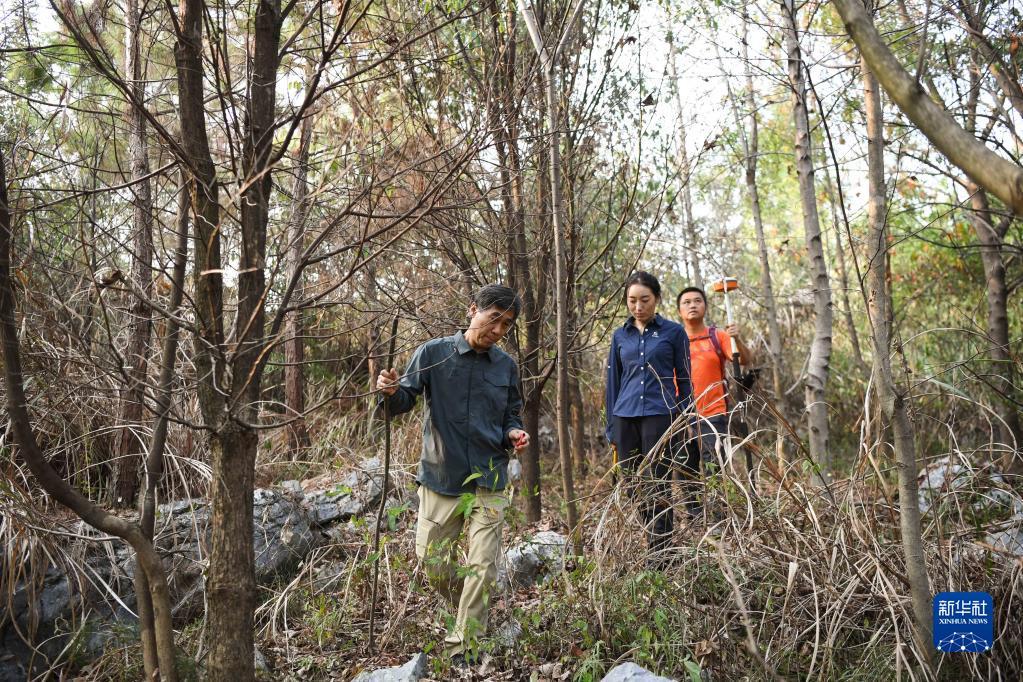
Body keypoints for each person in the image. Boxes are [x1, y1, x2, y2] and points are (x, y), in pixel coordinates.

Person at [376, 284, 529, 662]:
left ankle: (465, 645)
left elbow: (512, 414)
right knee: (433, 564)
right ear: (472, 309)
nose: (497, 330)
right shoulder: (433, 353)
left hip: (490, 476)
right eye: (494, 318)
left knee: (482, 566)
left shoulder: (506, 367)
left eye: (506, 324)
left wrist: (513, 431)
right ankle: (471, 611)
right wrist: (389, 390)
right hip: (441, 476)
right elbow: (402, 401)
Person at [605, 271, 692, 560]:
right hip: (625, 416)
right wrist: (611, 428)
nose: (638, 306)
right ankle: (657, 537)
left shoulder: (673, 332)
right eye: (632, 300)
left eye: (644, 300)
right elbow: (613, 383)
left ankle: (661, 552)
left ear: (657, 299)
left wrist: (685, 416)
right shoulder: (620, 335)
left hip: (660, 414)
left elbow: (686, 378)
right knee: (630, 483)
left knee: (658, 481)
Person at [675, 286, 754, 518]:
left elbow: (745, 360)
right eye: (686, 302)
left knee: (714, 467)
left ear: (705, 306)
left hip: (714, 413)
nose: (692, 305)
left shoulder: (717, 335)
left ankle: (719, 518)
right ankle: (696, 516)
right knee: (685, 467)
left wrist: (736, 337)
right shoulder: (674, 340)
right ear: (679, 310)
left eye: (697, 301)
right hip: (681, 415)